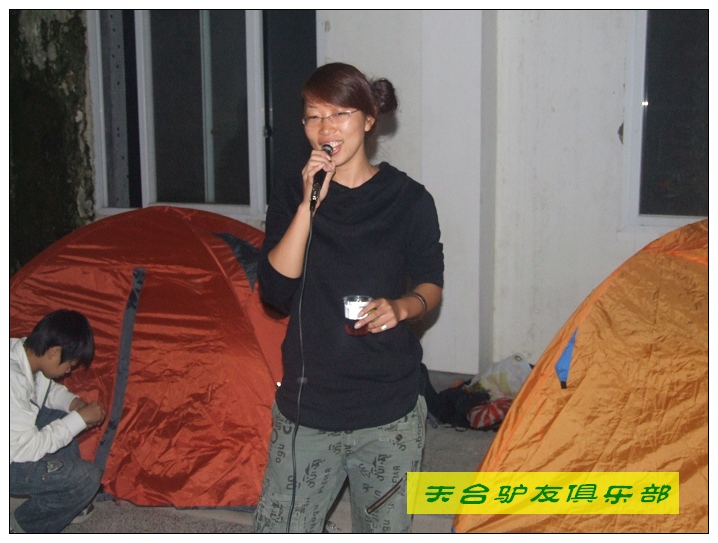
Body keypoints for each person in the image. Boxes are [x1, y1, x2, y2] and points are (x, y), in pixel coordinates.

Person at [254, 62, 444, 533]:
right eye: (314, 116)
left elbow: (430, 283)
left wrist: (402, 307)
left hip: (389, 409)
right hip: (309, 405)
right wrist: (308, 207)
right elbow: (275, 294)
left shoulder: (409, 199)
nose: (326, 129)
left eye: (339, 114)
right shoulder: (293, 193)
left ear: (369, 118)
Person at [10, 309, 106, 533]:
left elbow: (46, 391)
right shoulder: (11, 380)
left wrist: (73, 404)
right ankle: (23, 526)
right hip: (13, 455)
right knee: (88, 477)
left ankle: (66, 497)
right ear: (54, 352)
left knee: (63, 415)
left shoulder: (25, 354)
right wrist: (79, 419)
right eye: (70, 365)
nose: (68, 372)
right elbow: (26, 450)